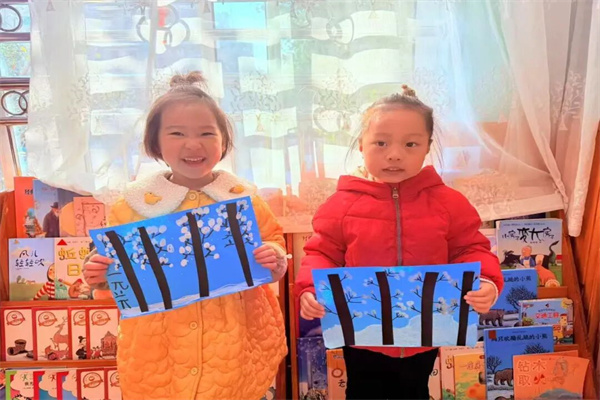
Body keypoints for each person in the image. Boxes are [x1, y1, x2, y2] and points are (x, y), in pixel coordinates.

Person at [82, 72, 287, 400]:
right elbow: (113, 266)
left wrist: (273, 257)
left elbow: (273, 242)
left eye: (207, 133)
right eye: (177, 133)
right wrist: (99, 274)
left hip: (235, 337)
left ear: (224, 141)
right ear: (155, 142)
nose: (193, 144)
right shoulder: (133, 204)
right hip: (160, 344)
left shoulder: (243, 197)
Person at [295, 85, 504, 400]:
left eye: (410, 144)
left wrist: (486, 281)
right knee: (363, 393)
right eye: (381, 143)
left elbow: (471, 248)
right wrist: (310, 289)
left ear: (427, 147)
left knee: (414, 391)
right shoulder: (342, 205)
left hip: (424, 332)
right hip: (362, 334)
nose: (394, 154)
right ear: (361, 145)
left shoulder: (449, 203)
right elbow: (321, 253)